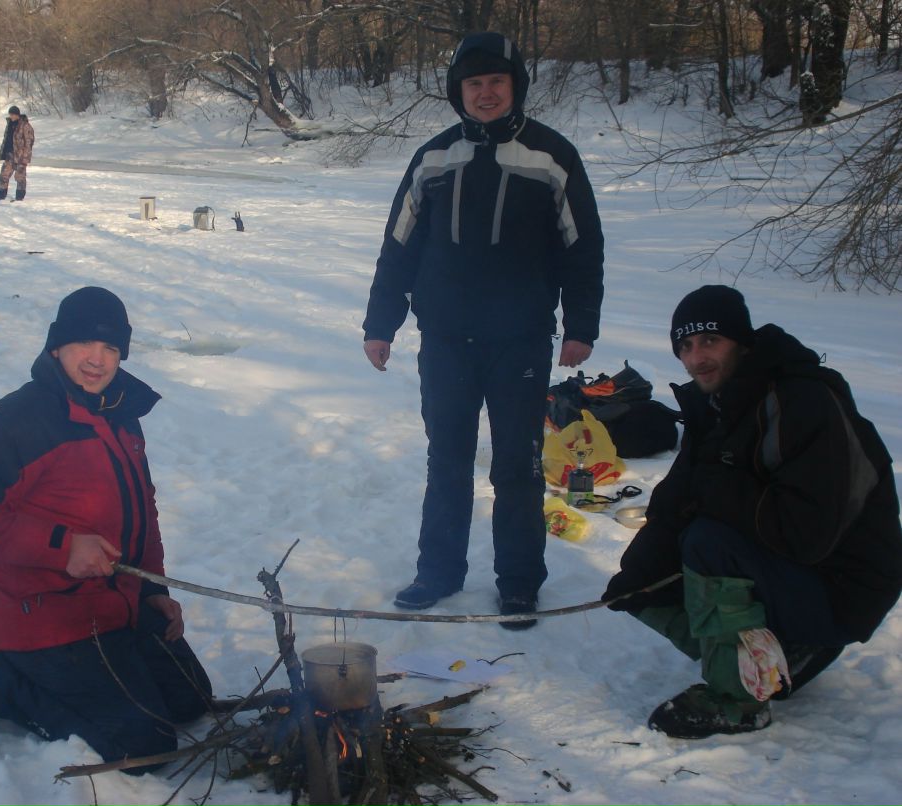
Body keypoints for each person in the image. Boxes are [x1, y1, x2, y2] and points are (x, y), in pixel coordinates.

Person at [361, 32, 605, 628]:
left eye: (497, 82)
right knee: (446, 458)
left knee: (517, 464)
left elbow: (583, 246)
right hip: (445, 340)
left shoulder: (551, 156)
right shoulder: (434, 159)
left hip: (519, 339)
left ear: (515, 86)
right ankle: (437, 573)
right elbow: (398, 247)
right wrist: (381, 322)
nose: (486, 93)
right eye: (474, 84)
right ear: (458, 93)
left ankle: (519, 583)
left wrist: (581, 325)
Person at [602, 285, 902, 738]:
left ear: (740, 341)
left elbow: (805, 532)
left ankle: (738, 700)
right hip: (803, 576)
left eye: (709, 341)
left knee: (708, 542)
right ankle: (785, 654)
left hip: (845, 588)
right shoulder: (719, 408)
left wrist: (714, 489)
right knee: (649, 582)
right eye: (685, 346)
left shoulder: (801, 402)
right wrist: (638, 577)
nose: (697, 357)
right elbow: (675, 503)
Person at [0, 286, 212, 771]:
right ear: (56, 346)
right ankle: (1, 672)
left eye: (111, 348)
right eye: (85, 343)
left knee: (193, 702)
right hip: (47, 615)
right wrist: (62, 547)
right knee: (145, 747)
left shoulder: (121, 414)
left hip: (119, 602)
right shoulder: (17, 421)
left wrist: (153, 587)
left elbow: (142, 510)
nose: (98, 359)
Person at [0, 105, 34, 201]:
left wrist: (25, 157)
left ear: (17, 115)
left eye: (13, 114)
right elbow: (6, 139)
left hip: (21, 156)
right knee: (3, 175)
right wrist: (3, 153)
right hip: (9, 155)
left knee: (20, 177)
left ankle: (19, 198)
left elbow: (29, 142)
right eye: (10, 114)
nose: (11, 116)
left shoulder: (25, 125)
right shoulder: (9, 124)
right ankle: (0, 196)